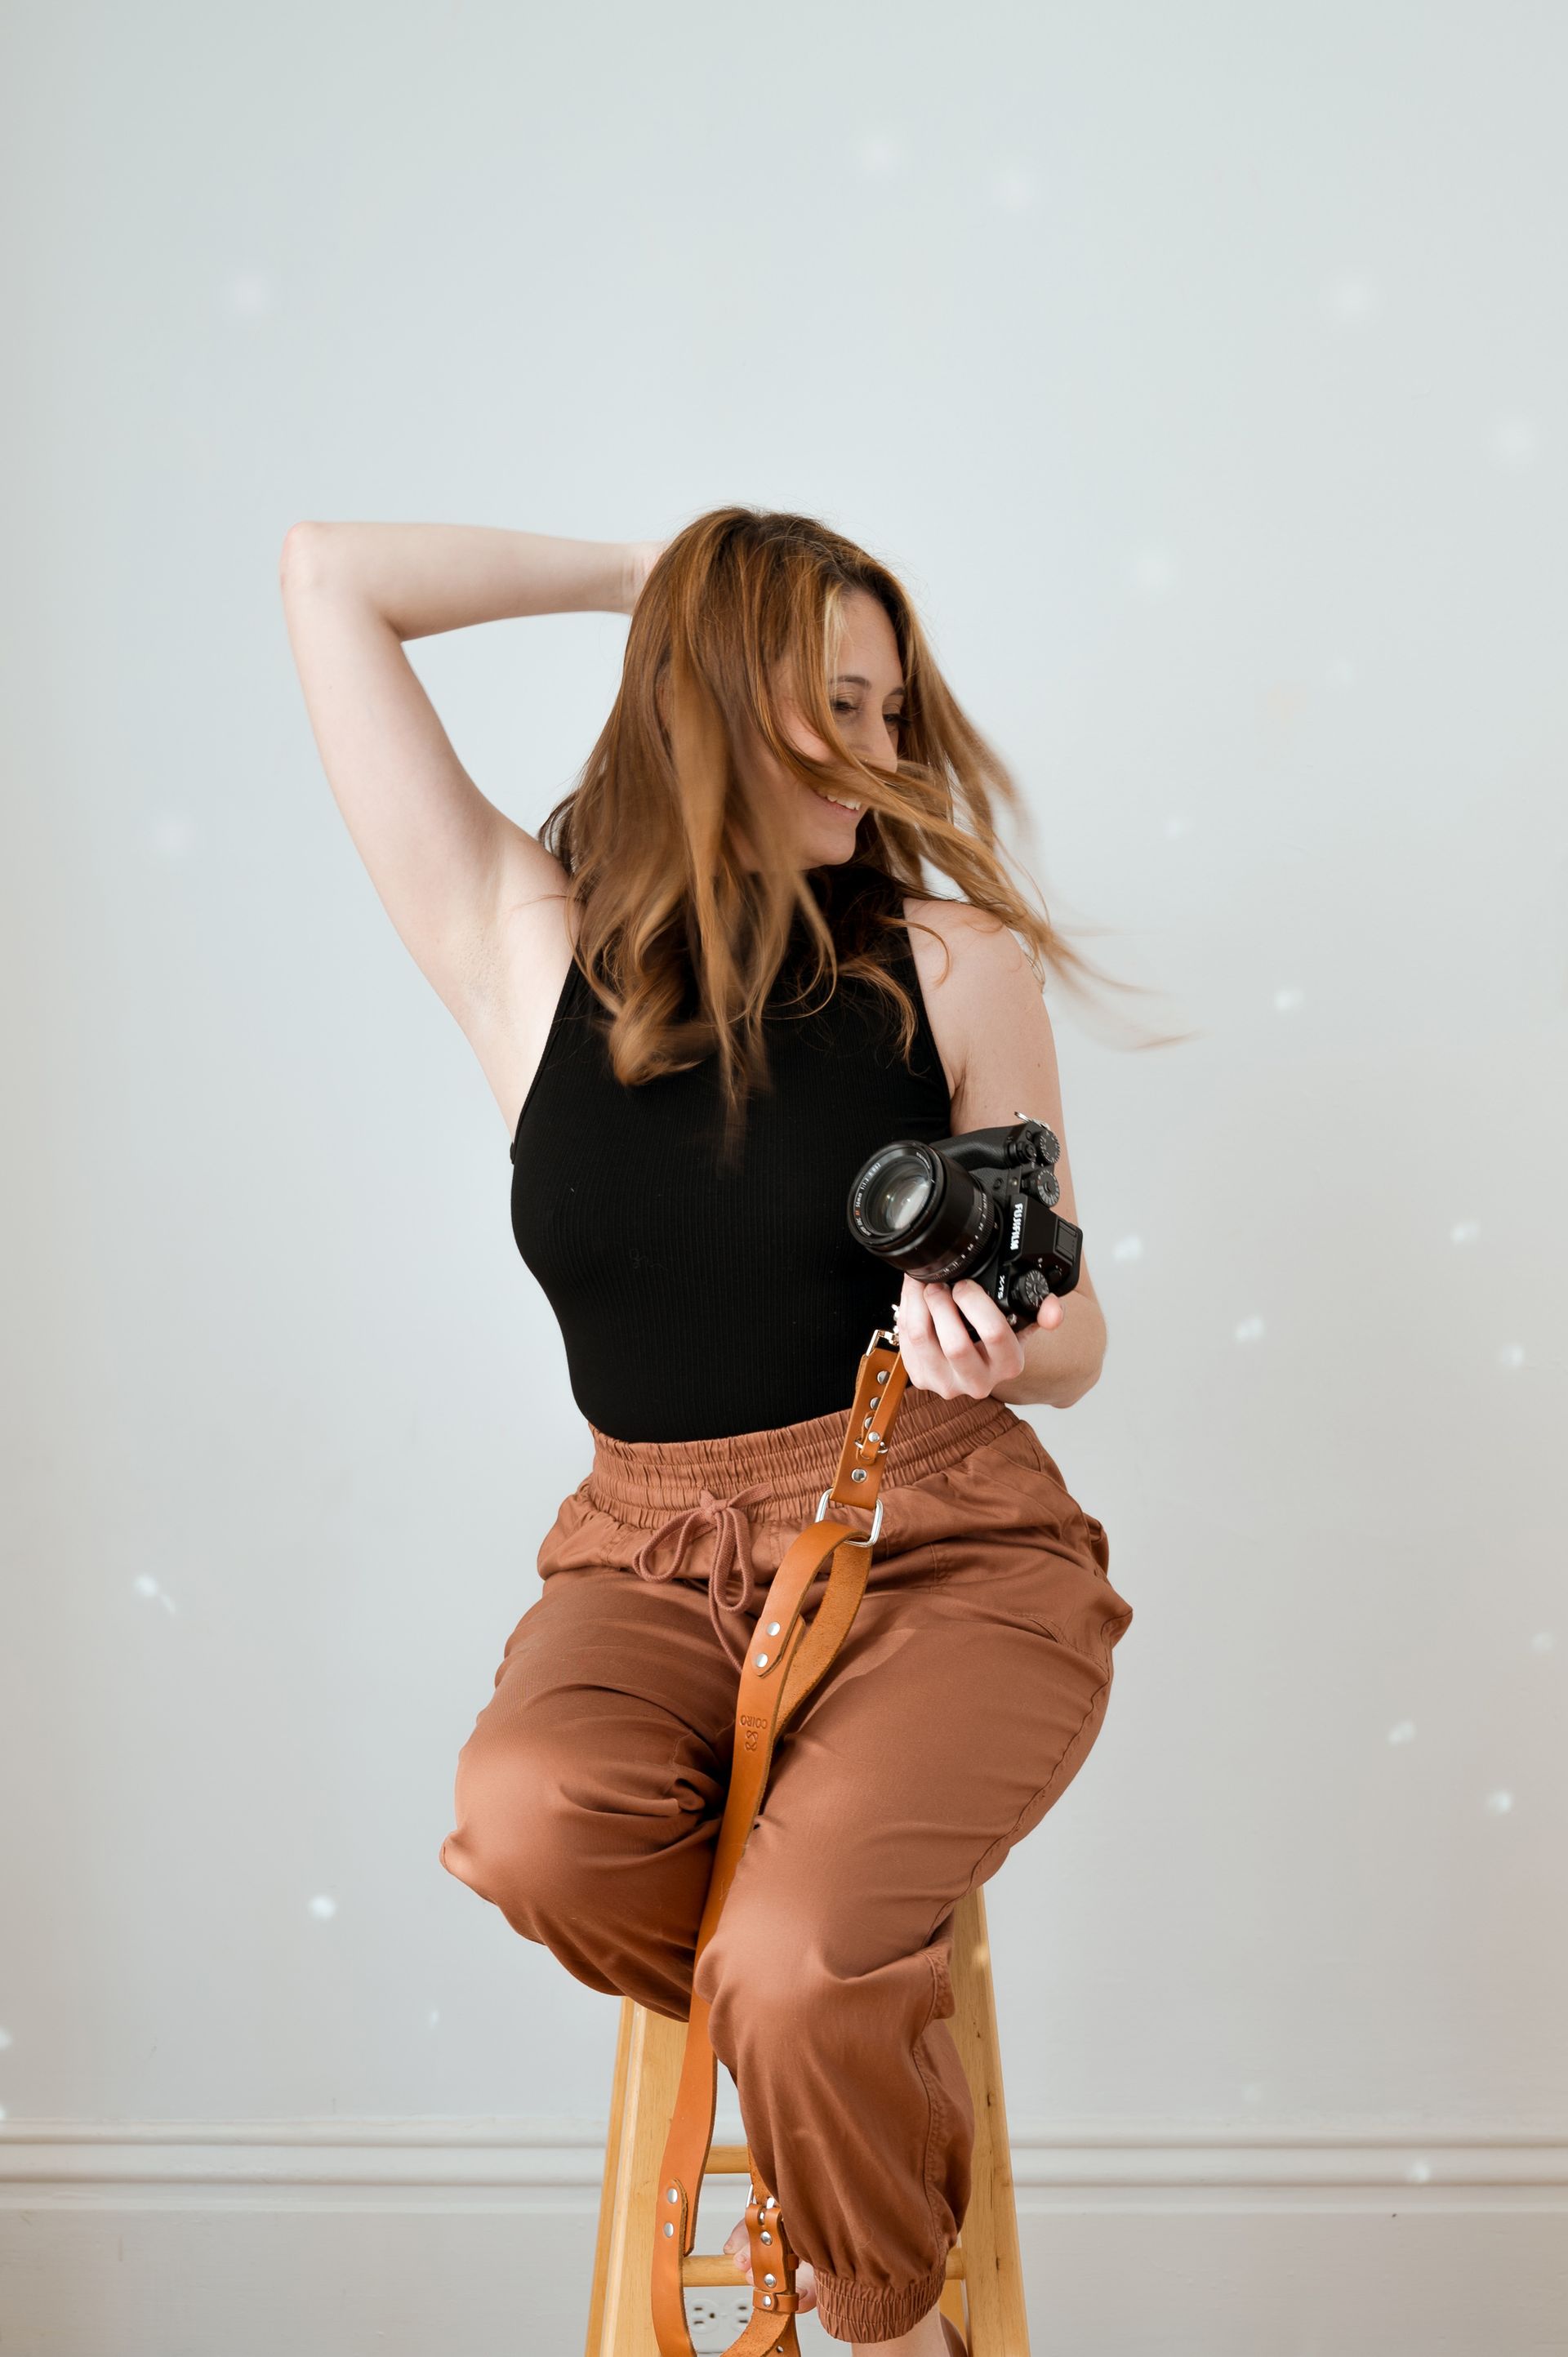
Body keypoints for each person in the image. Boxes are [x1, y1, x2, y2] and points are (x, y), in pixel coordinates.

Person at [279, 505, 1136, 2356]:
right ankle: (842, 2046)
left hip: (939, 1544)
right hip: (645, 1556)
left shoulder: (950, 960)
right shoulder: (529, 946)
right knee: (530, 1824)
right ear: (713, 692)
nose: (881, 748)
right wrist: (645, 574)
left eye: (895, 710)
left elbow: (1078, 1334)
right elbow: (331, 576)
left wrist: (1003, 1340)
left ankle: (889, 2321)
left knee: (795, 1955)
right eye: (837, 699)